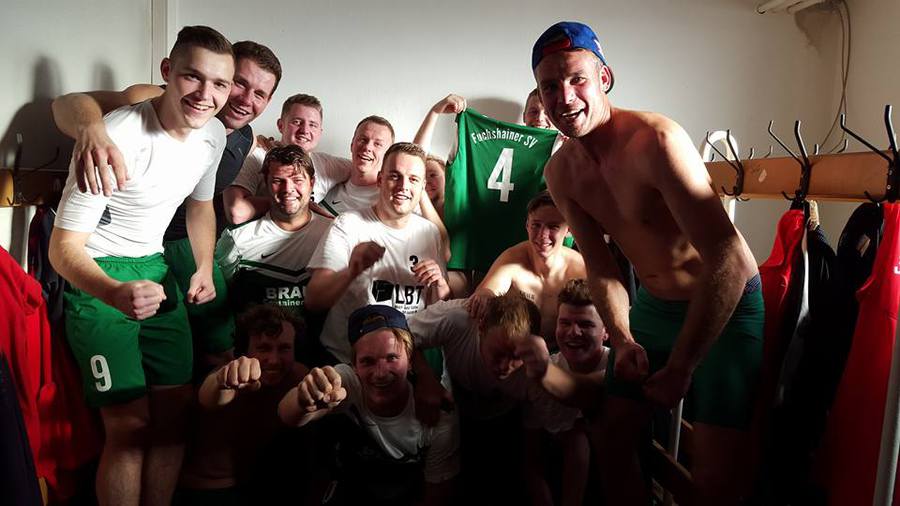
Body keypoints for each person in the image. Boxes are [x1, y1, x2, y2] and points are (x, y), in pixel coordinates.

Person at [532, 21, 763, 505]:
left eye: (577, 79)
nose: (564, 97)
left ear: (604, 78)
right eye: (549, 86)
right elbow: (602, 268)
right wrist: (621, 337)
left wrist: (683, 364)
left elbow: (728, 258)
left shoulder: (656, 140)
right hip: (656, 306)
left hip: (724, 302)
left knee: (714, 481)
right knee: (610, 435)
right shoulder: (561, 172)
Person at [48, 26, 235, 506]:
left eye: (219, 84)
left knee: (175, 415)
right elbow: (62, 249)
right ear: (167, 72)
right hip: (99, 273)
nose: (206, 94)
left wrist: (201, 266)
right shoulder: (118, 134)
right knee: (130, 426)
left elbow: (200, 206)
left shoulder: (214, 134)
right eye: (193, 77)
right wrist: (112, 292)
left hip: (154, 268)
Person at [52, 39, 283, 370]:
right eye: (240, 83)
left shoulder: (240, 137)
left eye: (259, 94)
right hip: (125, 249)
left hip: (183, 241)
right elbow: (67, 103)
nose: (246, 99)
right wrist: (91, 130)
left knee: (217, 338)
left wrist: (204, 264)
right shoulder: (154, 102)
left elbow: (201, 204)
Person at [278, 305, 459, 506]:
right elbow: (287, 414)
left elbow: (436, 496)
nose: (380, 373)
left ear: (410, 361)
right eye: (367, 361)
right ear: (354, 366)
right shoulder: (348, 382)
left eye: (391, 358)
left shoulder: (439, 417)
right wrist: (304, 400)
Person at [305, 142, 451, 364]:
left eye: (413, 179)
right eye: (395, 176)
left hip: (403, 363)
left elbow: (436, 307)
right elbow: (314, 299)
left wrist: (439, 285)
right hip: (346, 360)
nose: (403, 186)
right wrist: (351, 272)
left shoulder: (430, 232)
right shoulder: (348, 224)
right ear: (381, 179)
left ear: (422, 187)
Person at [178, 304, 310, 505]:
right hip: (209, 489)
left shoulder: (297, 375)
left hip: (261, 485)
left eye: (284, 348)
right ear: (244, 351)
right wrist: (225, 381)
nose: (274, 360)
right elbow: (211, 394)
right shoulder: (228, 373)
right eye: (263, 348)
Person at [517, 279, 610, 506]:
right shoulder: (542, 371)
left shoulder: (618, 367)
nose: (573, 332)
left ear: (606, 331)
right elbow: (531, 459)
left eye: (585, 324)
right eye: (565, 323)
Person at [216, 144, 332, 317]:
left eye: (297, 180)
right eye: (278, 181)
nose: (288, 189)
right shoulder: (238, 239)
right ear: (266, 183)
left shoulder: (335, 234)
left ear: (312, 183)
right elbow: (218, 299)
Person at [468, 190, 586, 344]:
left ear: (568, 230)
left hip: (566, 352)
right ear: (527, 226)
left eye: (553, 226)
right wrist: (484, 296)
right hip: (516, 351)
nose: (542, 235)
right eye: (536, 225)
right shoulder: (513, 259)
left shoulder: (580, 269)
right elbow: (487, 291)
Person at [224, 93, 354, 223]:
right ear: (281, 125)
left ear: (320, 132)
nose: (305, 130)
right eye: (297, 122)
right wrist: (296, 204)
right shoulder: (255, 156)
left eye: (313, 125)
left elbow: (362, 170)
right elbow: (236, 212)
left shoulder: (326, 164)